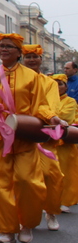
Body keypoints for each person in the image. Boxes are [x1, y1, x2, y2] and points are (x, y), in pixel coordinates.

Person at [0, 34, 61, 243]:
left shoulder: (31, 77)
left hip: (24, 136)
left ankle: (27, 224)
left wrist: (50, 116)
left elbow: (41, 104)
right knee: (0, 187)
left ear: (19, 52)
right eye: (1, 46)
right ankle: (7, 230)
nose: (4, 49)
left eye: (9, 46)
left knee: (28, 183)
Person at [21, 44, 64, 232]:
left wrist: (44, 119)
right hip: (21, 135)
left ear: (41, 59)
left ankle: (51, 211)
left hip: (44, 133)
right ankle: (26, 218)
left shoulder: (49, 83)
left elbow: (52, 105)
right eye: (27, 56)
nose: (31, 60)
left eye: (34, 56)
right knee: (23, 179)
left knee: (50, 174)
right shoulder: (16, 78)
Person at [51, 74, 78, 213]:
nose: (57, 86)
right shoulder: (48, 100)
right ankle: (50, 200)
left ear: (66, 86)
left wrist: (51, 116)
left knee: (66, 172)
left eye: (60, 84)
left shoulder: (70, 102)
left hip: (65, 142)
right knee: (51, 172)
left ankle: (65, 201)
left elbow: (65, 117)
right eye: (54, 83)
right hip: (50, 140)